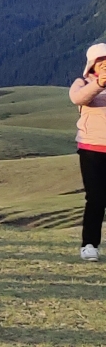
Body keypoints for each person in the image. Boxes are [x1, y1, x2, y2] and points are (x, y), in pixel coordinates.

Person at [70, 44, 106, 260]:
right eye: (101, 63)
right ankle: (90, 244)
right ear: (92, 65)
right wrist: (100, 84)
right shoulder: (82, 83)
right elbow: (78, 98)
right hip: (91, 148)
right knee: (96, 198)